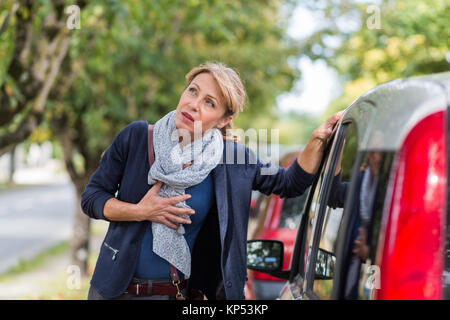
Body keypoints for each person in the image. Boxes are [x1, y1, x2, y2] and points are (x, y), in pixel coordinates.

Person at [81, 62, 343, 300]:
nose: (194, 104)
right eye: (193, 91)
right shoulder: (136, 138)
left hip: (176, 294)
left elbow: (290, 183)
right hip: (112, 291)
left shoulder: (233, 160)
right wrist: (141, 211)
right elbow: (92, 198)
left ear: (224, 120)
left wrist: (318, 139)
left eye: (209, 103)